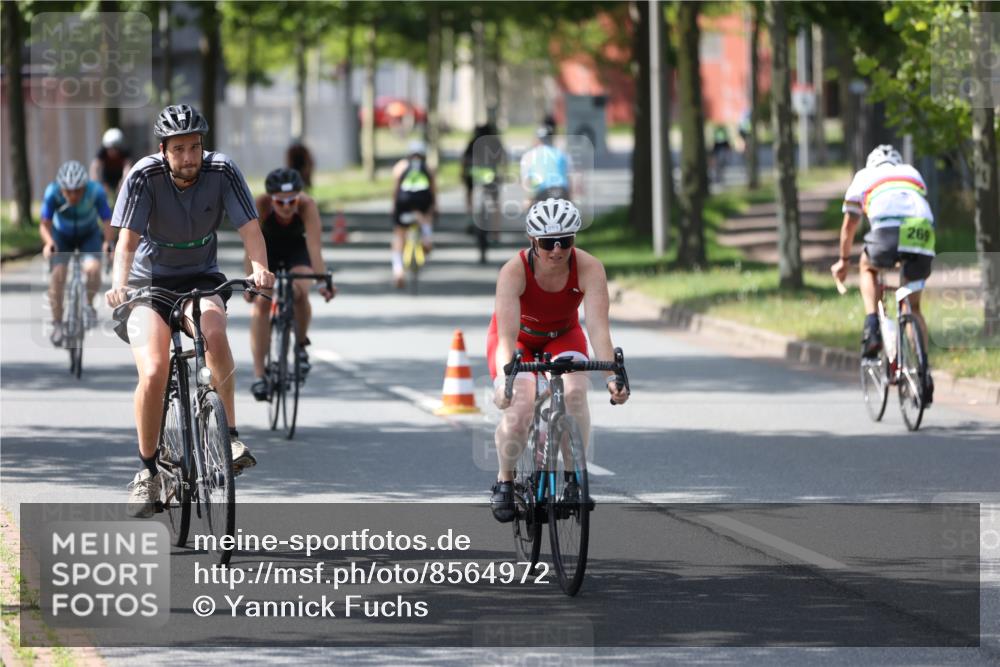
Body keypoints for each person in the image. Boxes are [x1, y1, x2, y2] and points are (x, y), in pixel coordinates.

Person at [105, 104, 275, 518]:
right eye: (178, 149)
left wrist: (259, 268)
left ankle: (228, 436)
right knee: (154, 369)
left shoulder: (223, 170)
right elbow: (126, 241)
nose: (188, 157)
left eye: (194, 147)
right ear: (163, 150)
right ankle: (149, 471)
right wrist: (118, 283)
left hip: (200, 277)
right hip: (147, 284)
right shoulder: (144, 176)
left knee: (214, 334)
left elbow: (250, 229)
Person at [487, 198, 629, 523]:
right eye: (547, 242)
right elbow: (506, 337)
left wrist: (612, 378)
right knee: (520, 407)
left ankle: (573, 477)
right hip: (520, 339)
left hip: (564, 335)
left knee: (575, 393)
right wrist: (504, 384)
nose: (556, 250)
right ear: (532, 240)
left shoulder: (589, 268)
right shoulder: (513, 271)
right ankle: (505, 481)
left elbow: (598, 330)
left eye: (565, 241)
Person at [831, 144, 935, 403]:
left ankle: (872, 324)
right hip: (921, 232)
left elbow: (849, 225)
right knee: (914, 306)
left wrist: (843, 261)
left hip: (886, 233)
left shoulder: (864, 176)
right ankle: (923, 371)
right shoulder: (912, 172)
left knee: (867, 266)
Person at [246, 167, 335, 401]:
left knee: (300, 292)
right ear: (271, 199)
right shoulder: (260, 205)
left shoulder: (308, 206)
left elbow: (314, 247)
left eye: (292, 201)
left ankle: (301, 344)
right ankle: (259, 375)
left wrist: (322, 281)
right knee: (261, 303)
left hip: (297, 250)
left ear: (299, 198)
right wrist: (251, 282)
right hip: (268, 251)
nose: (286, 207)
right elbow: (251, 247)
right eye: (280, 202)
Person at [40, 160, 115, 346]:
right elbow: (45, 225)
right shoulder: (52, 193)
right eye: (68, 191)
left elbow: (107, 221)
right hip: (61, 236)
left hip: (89, 235)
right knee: (58, 275)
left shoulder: (96, 191)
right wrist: (49, 243)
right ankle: (58, 324)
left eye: (78, 190)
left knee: (93, 269)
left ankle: (88, 305)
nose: (73, 195)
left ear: (85, 187)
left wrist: (107, 242)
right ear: (61, 188)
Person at [390, 140, 436, 289]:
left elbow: (396, 190)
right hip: (422, 203)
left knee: (399, 234)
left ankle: (398, 270)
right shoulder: (428, 168)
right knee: (425, 218)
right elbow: (433, 191)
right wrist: (434, 208)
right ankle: (427, 238)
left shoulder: (400, 166)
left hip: (404, 203)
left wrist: (394, 207)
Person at [519, 125, 571, 205]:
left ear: (537, 139)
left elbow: (526, 180)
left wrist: (528, 198)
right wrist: (570, 198)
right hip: (562, 190)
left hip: (543, 191)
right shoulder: (562, 153)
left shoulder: (529, 155)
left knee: (536, 211)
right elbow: (568, 176)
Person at [90, 127, 133, 202]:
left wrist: (123, 181)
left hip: (119, 174)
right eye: (109, 148)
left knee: (122, 192)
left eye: (115, 148)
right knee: (104, 194)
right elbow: (94, 167)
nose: (112, 151)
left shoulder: (125, 152)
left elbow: (127, 168)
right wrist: (96, 183)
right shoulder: (102, 151)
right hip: (107, 175)